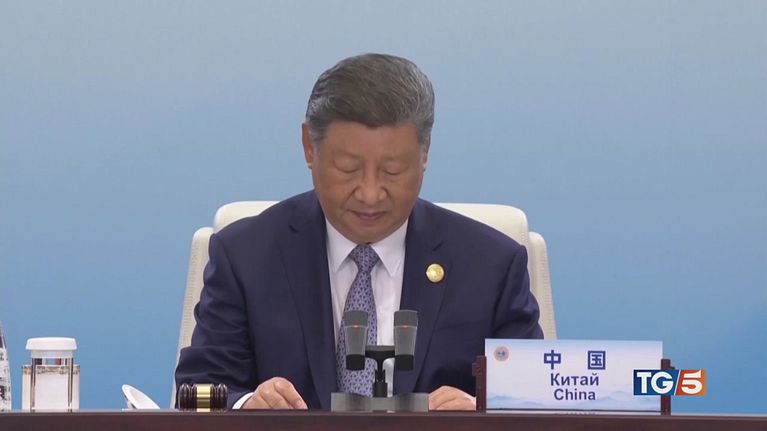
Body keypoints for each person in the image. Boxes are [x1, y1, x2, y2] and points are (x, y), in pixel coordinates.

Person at [175, 53, 543, 411]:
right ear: (309, 147)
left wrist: (482, 412)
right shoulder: (246, 256)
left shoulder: (491, 266)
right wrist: (246, 405)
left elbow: (539, 398)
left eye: (392, 171)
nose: (370, 194)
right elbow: (195, 392)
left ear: (424, 153)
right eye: (349, 169)